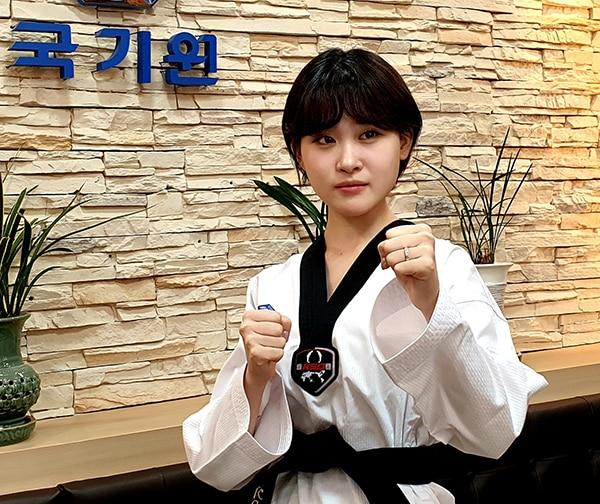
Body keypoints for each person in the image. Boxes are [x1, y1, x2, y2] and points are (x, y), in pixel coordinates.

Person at [182, 48, 548, 504]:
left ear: (404, 143)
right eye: (324, 139)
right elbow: (216, 466)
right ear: (299, 153)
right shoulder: (273, 286)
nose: (348, 160)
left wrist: (433, 308)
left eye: (369, 134)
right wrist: (254, 378)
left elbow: (494, 430)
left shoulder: (445, 269)